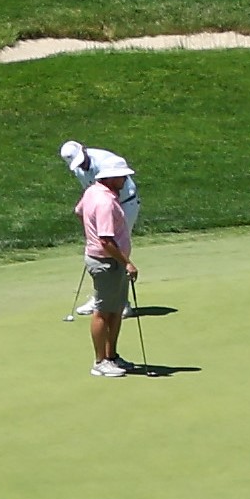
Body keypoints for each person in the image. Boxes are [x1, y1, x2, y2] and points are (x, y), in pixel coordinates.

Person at [77, 141, 148, 377]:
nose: (125, 180)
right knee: (103, 311)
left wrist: (90, 232)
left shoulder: (93, 192)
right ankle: (100, 362)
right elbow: (106, 240)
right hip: (107, 262)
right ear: (109, 178)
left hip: (107, 259)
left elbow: (79, 212)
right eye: (121, 176)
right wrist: (126, 261)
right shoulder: (106, 201)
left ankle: (112, 356)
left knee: (115, 309)